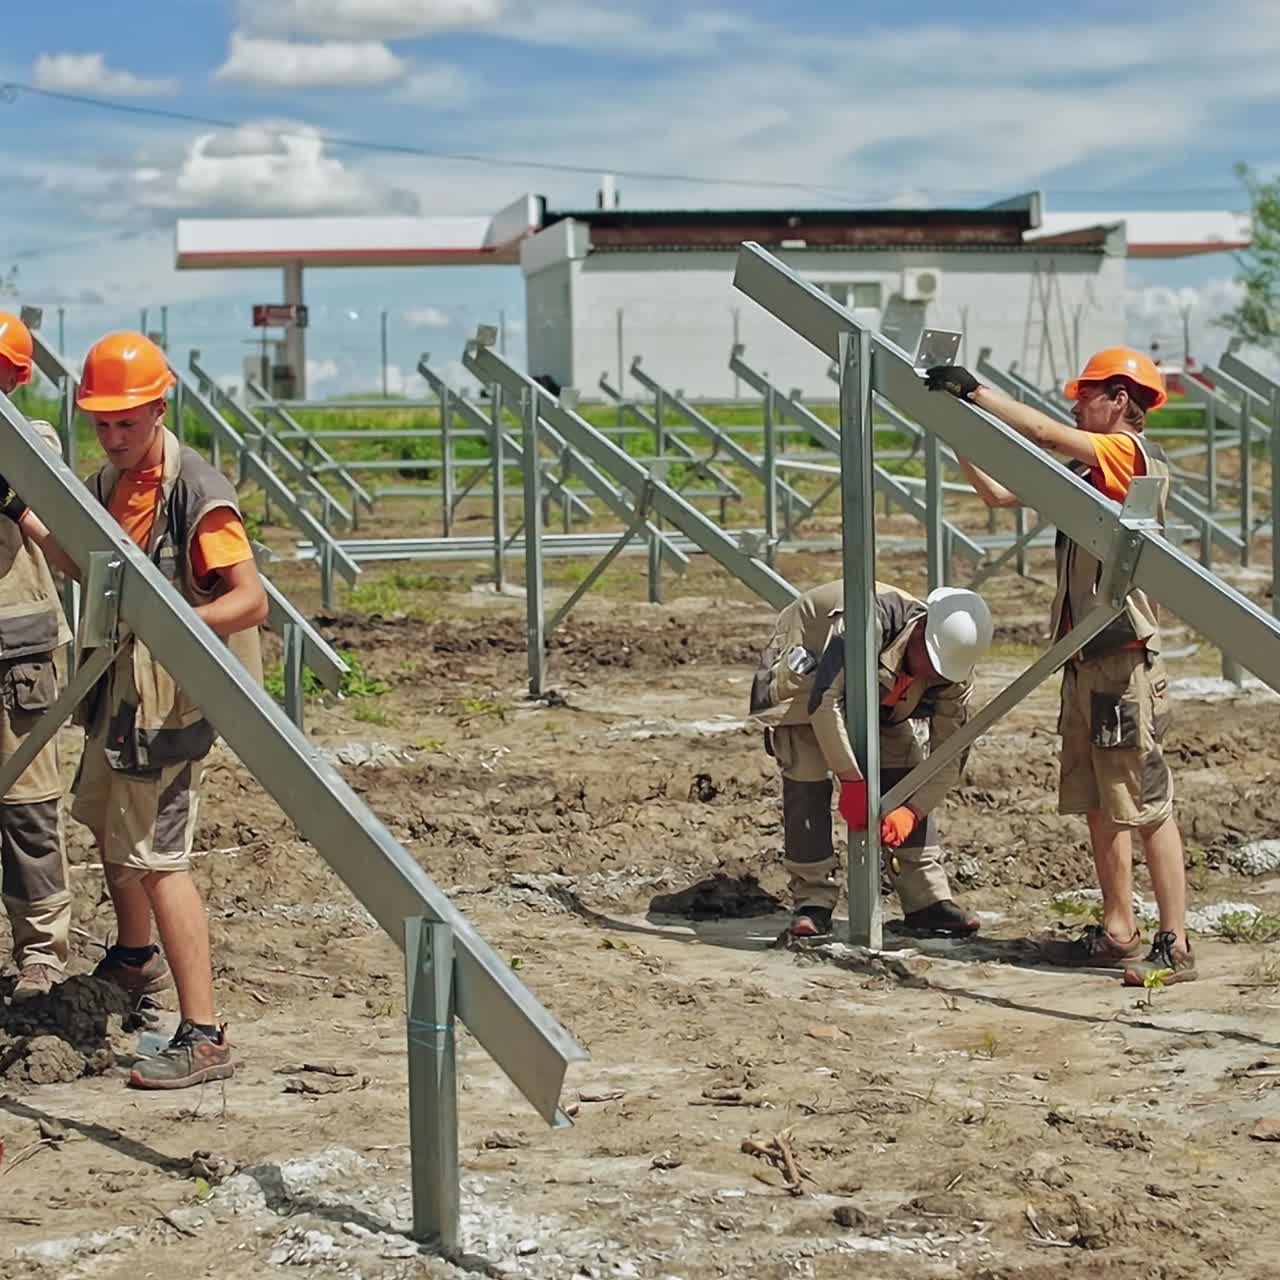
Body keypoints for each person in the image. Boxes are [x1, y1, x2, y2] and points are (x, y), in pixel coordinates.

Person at [26, 331, 268, 1083]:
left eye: (126, 421)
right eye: (101, 422)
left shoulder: (196, 491)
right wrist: (32, 518)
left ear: (159, 408)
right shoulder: (105, 486)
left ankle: (204, 1034)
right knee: (106, 823)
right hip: (121, 697)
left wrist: (169, 626)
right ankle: (135, 959)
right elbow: (86, 569)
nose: (113, 435)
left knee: (161, 861)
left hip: (170, 706)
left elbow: (249, 602)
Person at [926, 348, 1195, 985]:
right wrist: (955, 428)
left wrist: (977, 393)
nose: (1077, 403)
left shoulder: (1126, 454)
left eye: (1088, 393)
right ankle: (1118, 930)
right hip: (1086, 660)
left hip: (1123, 662)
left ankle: (1175, 943)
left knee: (1146, 804)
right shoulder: (1086, 468)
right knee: (1100, 802)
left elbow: (1043, 432)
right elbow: (996, 494)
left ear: (1121, 400)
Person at [750, 580, 993, 939]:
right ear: (921, 628)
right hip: (808, 673)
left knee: (906, 768)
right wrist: (851, 779)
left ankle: (926, 899)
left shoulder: (953, 664)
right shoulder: (868, 621)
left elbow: (950, 751)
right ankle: (812, 900)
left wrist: (912, 809)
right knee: (807, 772)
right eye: (931, 663)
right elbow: (826, 701)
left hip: (881, 690)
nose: (934, 675)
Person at [0, 312, 74, 1002]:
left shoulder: (32, 442)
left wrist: (11, 494)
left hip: (15, 652)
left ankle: (41, 951)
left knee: (27, 807)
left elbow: (60, 538)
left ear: (15, 378)